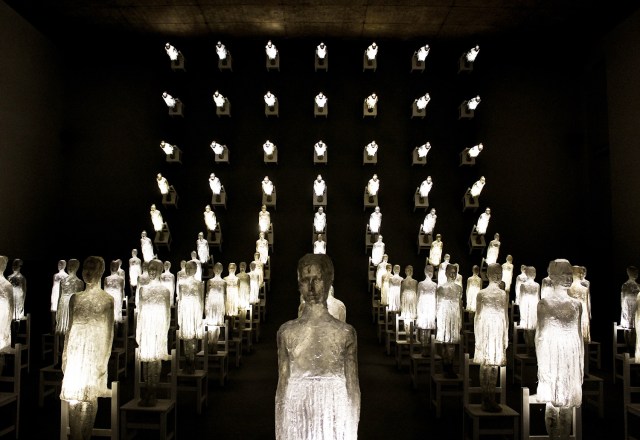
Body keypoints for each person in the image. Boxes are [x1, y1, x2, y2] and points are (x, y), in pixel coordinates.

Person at [276, 254, 359, 440]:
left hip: (333, 411)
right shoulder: (286, 332)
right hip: (298, 412)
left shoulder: (345, 333)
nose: (311, 287)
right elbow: (282, 389)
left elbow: (353, 390)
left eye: (317, 279)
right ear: (299, 284)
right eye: (306, 280)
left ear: (328, 281)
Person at [60, 256, 114, 437]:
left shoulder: (107, 300)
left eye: (93, 268)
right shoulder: (75, 298)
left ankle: (85, 435)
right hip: (76, 349)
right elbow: (69, 329)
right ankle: (76, 435)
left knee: (89, 396)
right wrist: (65, 355)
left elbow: (109, 332)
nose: (88, 272)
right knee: (74, 397)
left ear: (100, 271)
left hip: (93, 351)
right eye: (86, 268)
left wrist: (104, 360)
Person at [535, 259, 583, 440]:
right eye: (564, 274)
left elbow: (578, 335)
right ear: (553, 277)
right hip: (552, 356)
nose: (569, 278)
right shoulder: (545, 304)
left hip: (570, 357)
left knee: (567, 402)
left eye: (570, 274)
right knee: (553, 402)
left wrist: (579, 365)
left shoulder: (576, 304)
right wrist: (543, 365)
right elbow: (540, 335)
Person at [473, 263, 508, 412]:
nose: (498, 276)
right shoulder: (481, 294)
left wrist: (505, 336)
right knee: (486, 363)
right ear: (488, 275)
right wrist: (478, 337)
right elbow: (477, 316)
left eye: (500, 273)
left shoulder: (503, 294)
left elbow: (505, 316)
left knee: (494, 365)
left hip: (497, 330)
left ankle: (491, 397)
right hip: (486, 329)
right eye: (495, 273)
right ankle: (485, 398)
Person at [135, 259, 171, 403]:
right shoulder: (143, 290)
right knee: (146, 358)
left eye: (154, 269)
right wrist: (138, 331)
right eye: (150, 269)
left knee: (155, 358)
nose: (151, 272)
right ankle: (146, 389)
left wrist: (164, 332)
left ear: (160, 270)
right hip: (146, 326)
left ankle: (152, 391)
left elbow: (167, 314)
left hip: (157, 327)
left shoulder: (165, 291)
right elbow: (140, 311)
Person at [177, 261, 204, 374]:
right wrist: (180, 317)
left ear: (195, 270)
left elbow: (201, 302)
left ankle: (192, 361)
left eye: (190, 268)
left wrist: (199, 318)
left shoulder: (199, 284)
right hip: (185, 313)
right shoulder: (181, 284)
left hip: (194, 313)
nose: (188, 270)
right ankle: (188, 360)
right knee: (186, 338)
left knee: (193, 338)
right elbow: (180, 302)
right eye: (187, 268)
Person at [436, 263, 462, 377]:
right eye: (450, 273)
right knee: (445, 342)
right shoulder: (441, 288)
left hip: (454, 317)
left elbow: (459, 305)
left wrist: (460, 320)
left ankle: (450, 364)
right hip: (445, 317)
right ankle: (445, 364)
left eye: (454, 273)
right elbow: (438, 306)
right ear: (446, 273)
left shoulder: (459, 288)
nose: (452, 275)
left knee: (452, 343)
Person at [518, 266, 540, 351]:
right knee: (528, 328)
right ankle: (529, 346)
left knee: (533, 327)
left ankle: (532, 346)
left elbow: (538, 298)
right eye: (531, 272)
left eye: (534, 272)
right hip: (526, 307)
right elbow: (521, 299)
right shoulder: (523, 285)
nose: (533, 274)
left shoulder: (537, 285)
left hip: (533, 307)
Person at [416, 265, 437, 353]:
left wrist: (435, 311)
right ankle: (423, 346)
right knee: (423, 327)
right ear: (425, 272)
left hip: (430, 307)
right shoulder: (421, 284)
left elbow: (436, 298)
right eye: (428, 270)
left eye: (431, 271)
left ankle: (426, 346)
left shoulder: (435, 285)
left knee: (428, 327)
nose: (430, 272)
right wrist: (418, 310)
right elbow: (418, 298)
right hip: (423, 307)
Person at [205, 262, 226, 348]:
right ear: (213, 269)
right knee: (211, 325)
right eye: (216, 268)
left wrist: (224, 308)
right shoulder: (210, 281)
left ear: (222, 270)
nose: (217, 270)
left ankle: (215, 343)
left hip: (219, 305)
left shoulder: (224, 282)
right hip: (211, 305)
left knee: (217, 325)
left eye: (219, 268)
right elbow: (207, 295)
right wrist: (206, 307)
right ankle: (210, 342)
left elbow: (225, 296)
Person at [568, 265, 591, 343]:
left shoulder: (584, 289)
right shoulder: (568, 289)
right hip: (575, 312)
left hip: (582, 312)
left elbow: (587, 303)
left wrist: (588, 313)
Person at [0, 256, 14, 373]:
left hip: (2, 317)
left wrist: (8, 323)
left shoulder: (7, 285)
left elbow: (11, 306)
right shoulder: (7, 285)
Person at [51, 260, 68, 330]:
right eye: (59, 264)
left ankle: (61, 326)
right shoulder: (55, 275)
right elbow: (53, 285)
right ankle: (53, 328)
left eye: (61, 264)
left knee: (60, 308)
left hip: (61, 292)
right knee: (54, 309)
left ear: (64, 265)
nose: (59, 266)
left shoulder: (67, 276)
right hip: (55, 292)